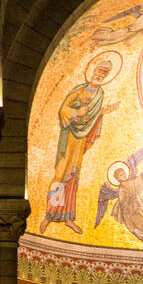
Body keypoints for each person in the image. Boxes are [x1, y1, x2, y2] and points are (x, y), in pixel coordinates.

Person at [39, 59, 120, 235]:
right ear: (93, 71)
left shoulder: (100, 94)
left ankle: (68, 218)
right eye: (99, 71)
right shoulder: (79, 89)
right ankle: (49, 215)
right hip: (69, 136)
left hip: (81, 139)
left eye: (104, 74)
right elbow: (63, 109)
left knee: (73, 176)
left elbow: (93, 116)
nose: (100, 75)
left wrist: (104, 111)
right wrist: (76, 112)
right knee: (60, 175)